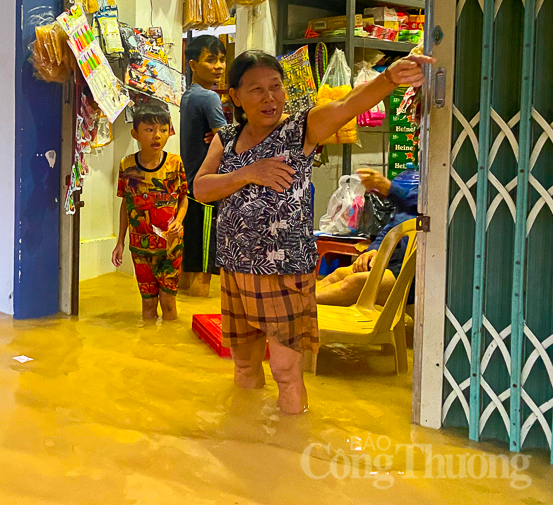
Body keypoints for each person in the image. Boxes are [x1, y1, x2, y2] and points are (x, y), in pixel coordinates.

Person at [194, 49, 432, 414]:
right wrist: (248, 173)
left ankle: (290, 453)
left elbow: (349, 105)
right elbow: (201, 188)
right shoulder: (226, 138)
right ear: (235, 96)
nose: (269, 97)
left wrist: (389, 79)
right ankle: (246, 441)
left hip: (284, 269)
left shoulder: (301, 128)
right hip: (234, 266)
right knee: (243, 365)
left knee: (286, 372)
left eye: (276, 86)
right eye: (256, 89)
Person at [112, 101, 189, 321]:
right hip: (140, 248)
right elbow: (126, 206)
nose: (157, 136)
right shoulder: (126, 166)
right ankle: (148, 349)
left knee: (168, 303)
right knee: (147, 305)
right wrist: (120, 242)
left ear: (169, 132)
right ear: (135, 133)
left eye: (163, 130)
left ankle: (167, 348)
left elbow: (184, 198)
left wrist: (179, 221)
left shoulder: (175, 164)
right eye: (149, 130)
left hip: (170, 247)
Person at [317, 168, 418, 306]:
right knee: (340, 273)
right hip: (395, 260)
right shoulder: (417, 178)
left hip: (417, 272)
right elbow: (390, 227)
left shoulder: (443, 182)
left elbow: (429, 205)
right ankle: (298, 306)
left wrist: (391, 189)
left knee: (355, 282)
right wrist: (374, 249)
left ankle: (300, 308)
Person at [179, 35, 227, 297]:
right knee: (205, 264)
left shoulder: (188, 96)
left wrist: (218, 135)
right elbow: (228, 140)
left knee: (191, 256)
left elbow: (219, 135)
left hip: (190, 185)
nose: (219, 66)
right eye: (211, 60)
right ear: (193, 64)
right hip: (208, 187)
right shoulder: (209, 98)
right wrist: (224, 134)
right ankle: (196, 313)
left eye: (221, 59)